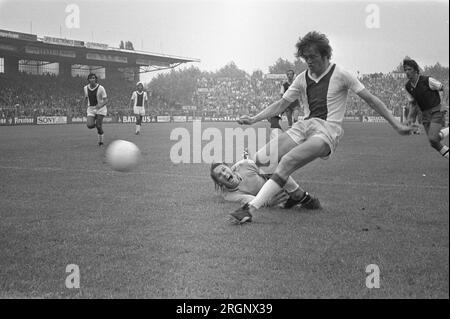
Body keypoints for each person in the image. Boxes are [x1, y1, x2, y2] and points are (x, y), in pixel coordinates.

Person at [229, 31, 415, 224]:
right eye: (305, 57)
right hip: (304, 126)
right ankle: (300, 196)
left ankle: (249, 209)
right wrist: (253, 119)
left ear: (326, 55)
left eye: (313, 57)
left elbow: (371, 100)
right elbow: (281, 104)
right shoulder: (302, 78)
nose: (309, 61)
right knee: (262, 158)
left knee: (286, 162)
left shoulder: (341, 75)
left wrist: (396, 124)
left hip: (326, 131)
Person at [210, 157, 319, 210]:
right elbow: (249, 200)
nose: (224, 174)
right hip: (274, 199)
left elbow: (269, 168)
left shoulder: (244, 165)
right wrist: (267, 202)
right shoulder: (229, 195)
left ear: (229, 167)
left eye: (224, 169)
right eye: (219, 175)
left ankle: (301, 196)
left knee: (276, 167)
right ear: (220, 183)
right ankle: (298, 199)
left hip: (278, 183)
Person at [403, 58, 449, 159]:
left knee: (433, 138)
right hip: (425, 115)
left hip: (436, 111)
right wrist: (410, 118)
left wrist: (444, 102)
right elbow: (413, 103)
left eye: (409, 69)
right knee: (434, 143)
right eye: (405, 70)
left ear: (415, 70)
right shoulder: (407, 86)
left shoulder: (427, 80)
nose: (407, 72)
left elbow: (444, 88)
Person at [84, 73, 108, 146]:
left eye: (94, 78)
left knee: (98, 125)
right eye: (90, 78)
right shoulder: (85, 88)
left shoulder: (101, 88)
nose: (92, 79)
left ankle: (101, 142)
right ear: (88, 80)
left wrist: (100, 105)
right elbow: (86, 97)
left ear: (96, 79)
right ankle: (98, 125)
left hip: (100, 108)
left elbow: (106, 100)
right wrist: (83, 104)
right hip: (91, 109)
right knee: (89, 125)